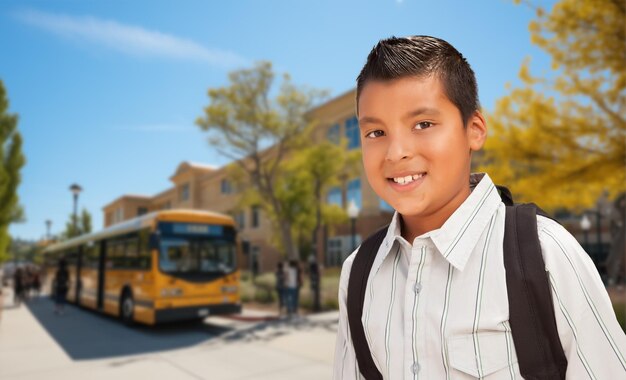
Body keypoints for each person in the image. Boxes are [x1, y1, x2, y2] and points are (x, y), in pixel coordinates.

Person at [333, 35, 626, 379]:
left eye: (423, 124)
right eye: (375, 132)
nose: (396, 152)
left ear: (474, 129)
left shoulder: (546, 254)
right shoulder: (359, 273)